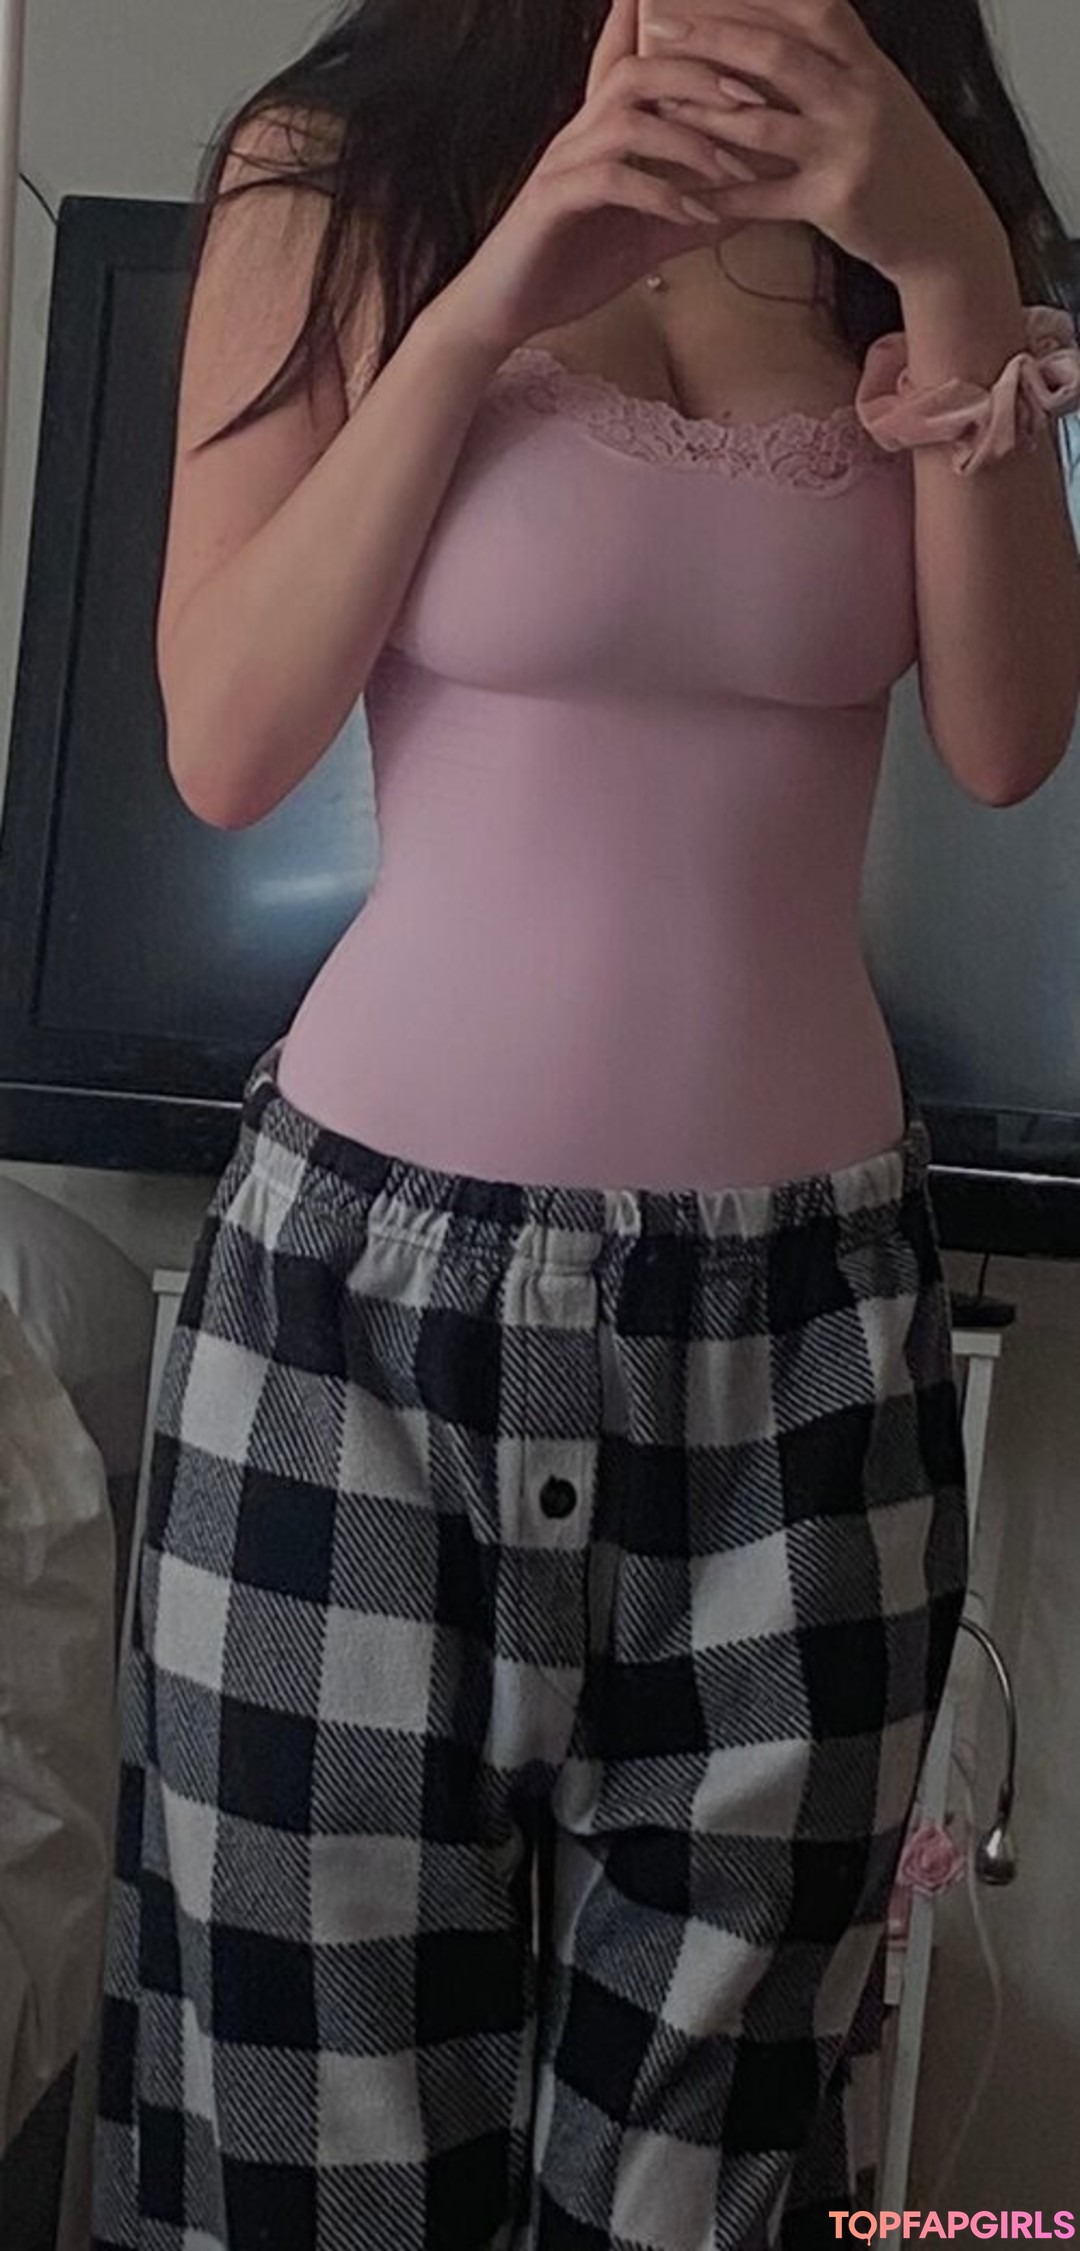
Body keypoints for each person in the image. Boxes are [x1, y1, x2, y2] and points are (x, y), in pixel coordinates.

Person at [91, 0, 1080, 2244]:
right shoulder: (335, 167)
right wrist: (487, 302)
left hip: (805, 1348)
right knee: (305, 2165)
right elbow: (226, 743)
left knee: (709, 2182)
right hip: (354, 1327)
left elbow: (1009, 735)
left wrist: (946, 255)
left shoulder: (910, 191)